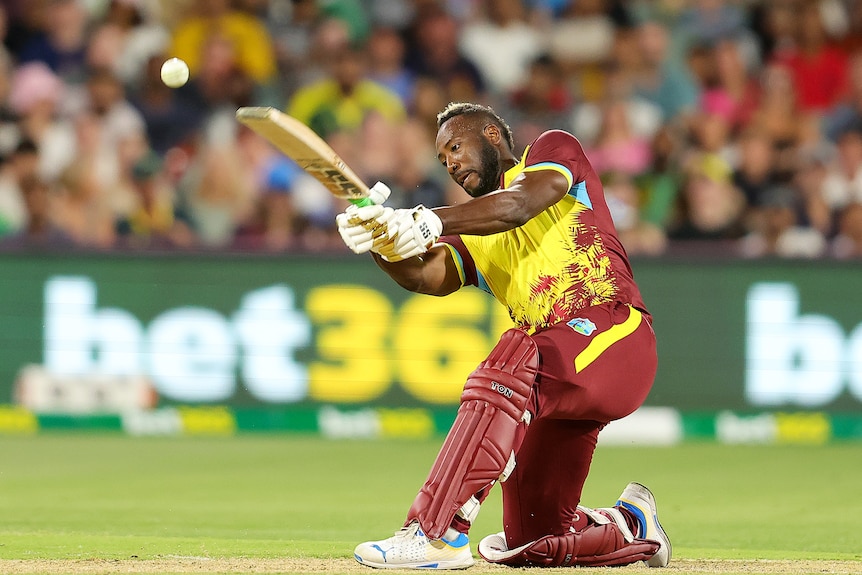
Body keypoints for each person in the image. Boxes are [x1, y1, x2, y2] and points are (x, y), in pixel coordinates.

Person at [335, 102, 671, 569]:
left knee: (512, 354)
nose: (450, 163)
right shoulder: (476, 232)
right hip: (557, 375)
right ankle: (632, 524)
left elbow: (516, 205)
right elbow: (424, 277)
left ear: (492, 134)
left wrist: (428, 219)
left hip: (617, 337)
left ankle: (436, 533)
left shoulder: (552, 150)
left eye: (455, 146)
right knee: (532, 538)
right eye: (442, 160)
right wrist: (381, 241)